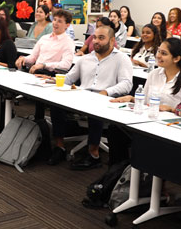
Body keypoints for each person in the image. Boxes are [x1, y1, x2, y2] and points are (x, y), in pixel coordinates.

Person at [48, 25, 133, 170]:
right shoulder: (85, 59)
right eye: (94, 37)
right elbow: (69, 79)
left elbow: (127, 84)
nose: (96, 41)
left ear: (112, 41)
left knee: (95, 107)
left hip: (105, 100)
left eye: (101, 38)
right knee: (56, 103)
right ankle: (60, 147)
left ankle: (93, 154)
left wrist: (106, 92)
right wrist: (51, 79)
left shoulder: (121, 59)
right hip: (82, 96)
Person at [110, 38, 181, 166]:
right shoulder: (154, 74)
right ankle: (117, 173)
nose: (158, 56)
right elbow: (147, 101)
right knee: (116, 130)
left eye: (164, 53)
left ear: (176, 58)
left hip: (171, 128)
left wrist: (170, 108)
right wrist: (132, 98)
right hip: (150, 121)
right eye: (158, 51)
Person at [15, 9, 74, 75]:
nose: (55, 23)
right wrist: (24, 59)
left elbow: (66, 65)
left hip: (51, 75)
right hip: (36, 72)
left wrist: (44, 65)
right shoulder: (44, 38)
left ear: (67, 25)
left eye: (59, 21)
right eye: (54, 20)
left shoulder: (68, 42)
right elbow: (33, 58)